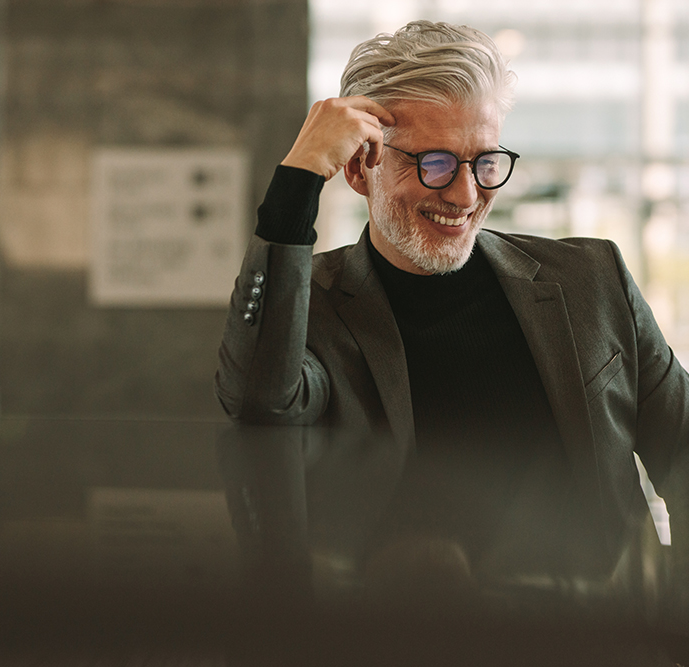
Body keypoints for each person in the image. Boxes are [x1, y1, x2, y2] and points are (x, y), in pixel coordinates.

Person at [215, 19, 687, 609]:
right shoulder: (310, 307)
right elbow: (260, 401)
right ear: (362, 169)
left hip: (600, 639)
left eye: (485, 161)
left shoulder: (591, 280)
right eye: (434, 163)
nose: (465, 195)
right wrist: (297, 183)